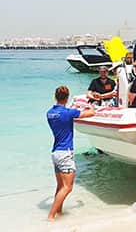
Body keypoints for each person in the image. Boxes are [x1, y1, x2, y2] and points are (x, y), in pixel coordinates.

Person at [46, 86, 95, 221]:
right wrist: (89, 105)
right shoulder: (68, 113)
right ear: (67, 98)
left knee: (60, 186)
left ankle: (59, 212)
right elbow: (91, 113)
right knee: (68, 187)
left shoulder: (49, 113)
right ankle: (51, 216)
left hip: (55, 152)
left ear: (56, 96)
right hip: (65, 153)